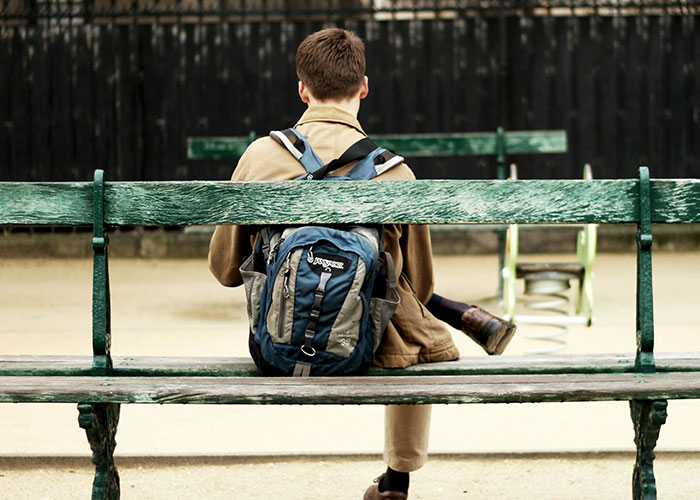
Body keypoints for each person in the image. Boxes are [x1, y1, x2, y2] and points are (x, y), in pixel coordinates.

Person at [208, 28, 516, 500]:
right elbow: (421, 283)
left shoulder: (261, 156)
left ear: (302, 90)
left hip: (278, 340)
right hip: (367, 346)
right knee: (416, 327)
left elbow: (226, 271)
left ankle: (396, 478)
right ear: (364, 87)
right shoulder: (396, 172)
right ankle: (398, 479)